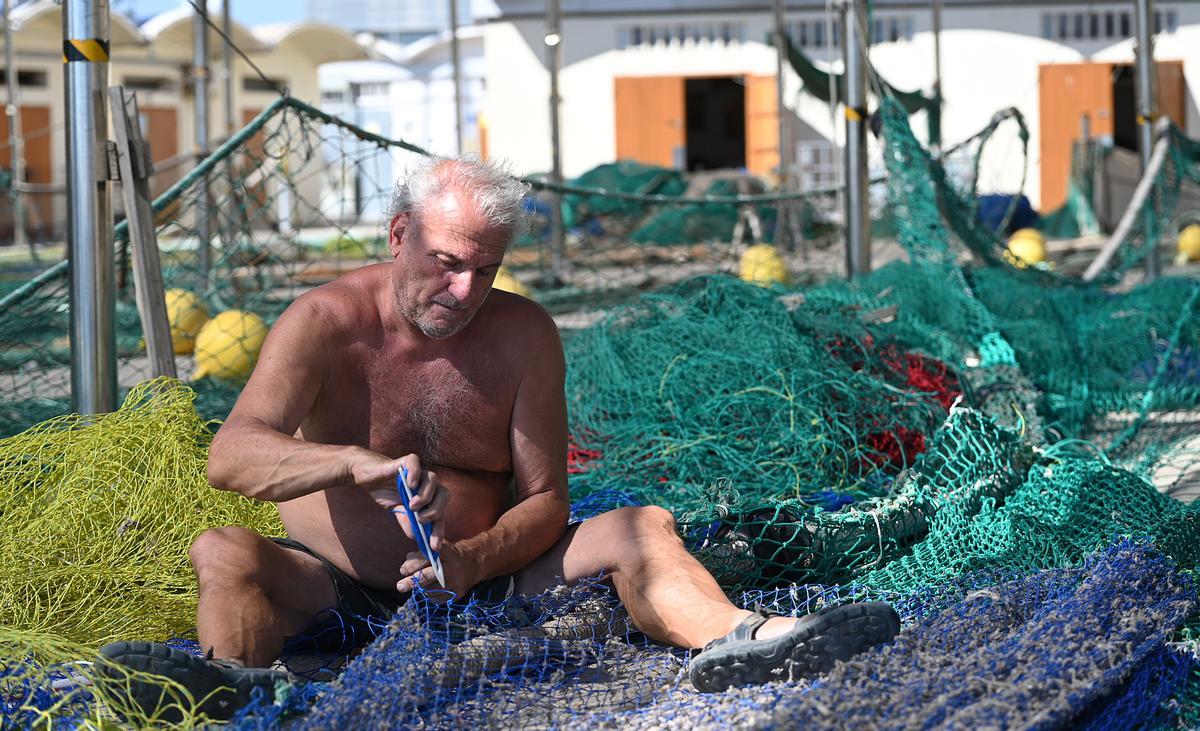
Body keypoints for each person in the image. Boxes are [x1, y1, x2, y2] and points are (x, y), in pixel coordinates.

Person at [99, 157, 899, 720]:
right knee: (223, 549)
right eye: (448, 264)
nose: (465, 290)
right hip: (336, 587)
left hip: (486, 582)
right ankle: (234, 687)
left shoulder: (524, 335)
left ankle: (743, 638)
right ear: (398, 234)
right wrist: (351, 462)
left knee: (641, 525)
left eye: (485, 271)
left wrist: (472, 560)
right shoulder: (322, 323)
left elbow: (549, 499)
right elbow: (230, 456)